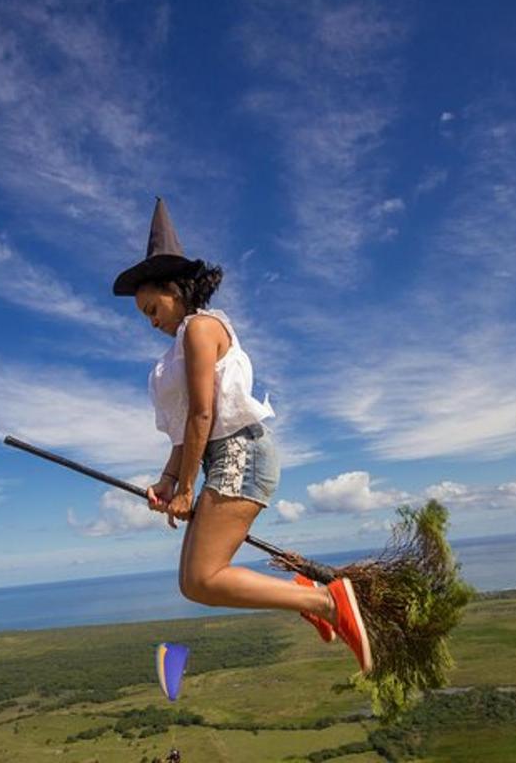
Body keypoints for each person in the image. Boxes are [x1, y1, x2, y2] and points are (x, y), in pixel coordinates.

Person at [112, 197, 373, 675]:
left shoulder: (200, 328)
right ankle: (306, 596)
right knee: (195, 584)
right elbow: (181, 433)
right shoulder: (173, 356)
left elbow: (202, 414)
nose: (151, 321)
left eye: (152, 307)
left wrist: (187, 488)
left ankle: (328, 602)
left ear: (175, 288)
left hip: (239, 455)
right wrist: (168, 483)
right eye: (145, 315)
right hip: (223, 456)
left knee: (202, 578)